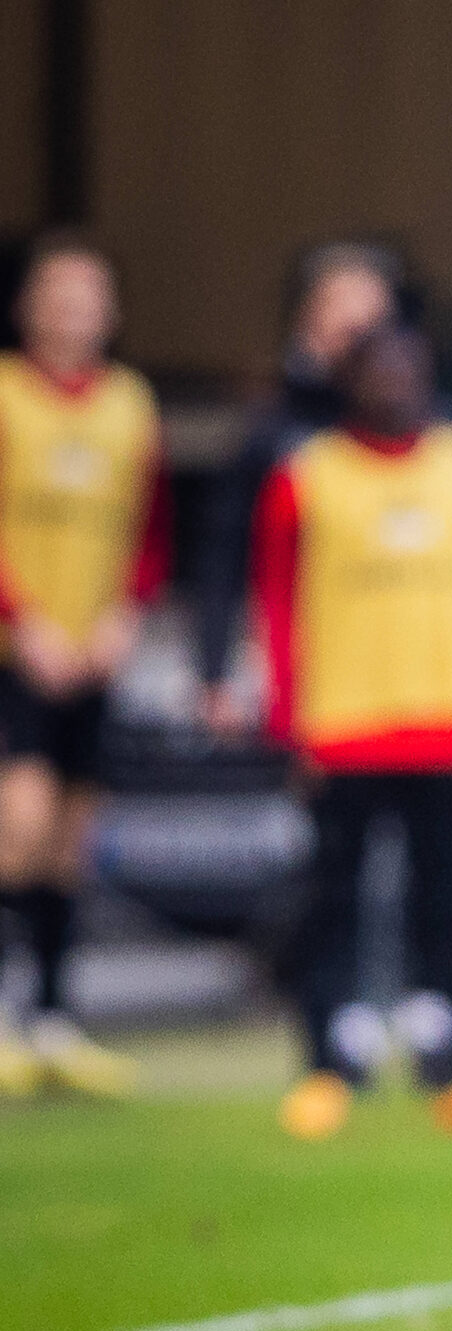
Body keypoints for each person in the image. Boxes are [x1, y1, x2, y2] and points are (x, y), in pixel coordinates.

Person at [252, 324, 452, 1141]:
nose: (393, 382)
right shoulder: (305, 476)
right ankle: (325, 1066)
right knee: (330, 902)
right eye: (376, 369)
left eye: (407, 366)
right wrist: (287, 721)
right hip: (341, 727)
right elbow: (275, 602)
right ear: (349, 381)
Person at [0, 234, 168, 1097]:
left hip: (92, 657)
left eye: (89, 293)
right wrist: (23, 622)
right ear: (27, 304)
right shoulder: (6, 394)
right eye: (57, 292)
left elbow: (149, 529)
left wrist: (123, 616)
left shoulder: (129, 404)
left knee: (69, 839)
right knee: (17, 824)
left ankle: (54, 1018)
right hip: (18, 654)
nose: (73, 308)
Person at [199, 242, 404, 733]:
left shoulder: (440, 437)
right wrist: (215, 669)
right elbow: (224, 553)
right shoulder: (273, 434)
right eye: (339, 307)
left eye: (370, 313)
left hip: (407, 682)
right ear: (305, 322)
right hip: (302, 681)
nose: (356, 328)